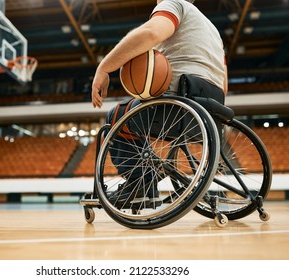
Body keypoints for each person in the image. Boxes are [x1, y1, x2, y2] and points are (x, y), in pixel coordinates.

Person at [91, 0, 228, 208]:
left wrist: (104, 67)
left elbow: (151, 34)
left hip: (178, 105)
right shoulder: (212, 30)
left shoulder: (174, 4)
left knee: (116, 117)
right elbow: (224, 84)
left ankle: (141, 185)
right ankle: (150, 171)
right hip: (211, 114)